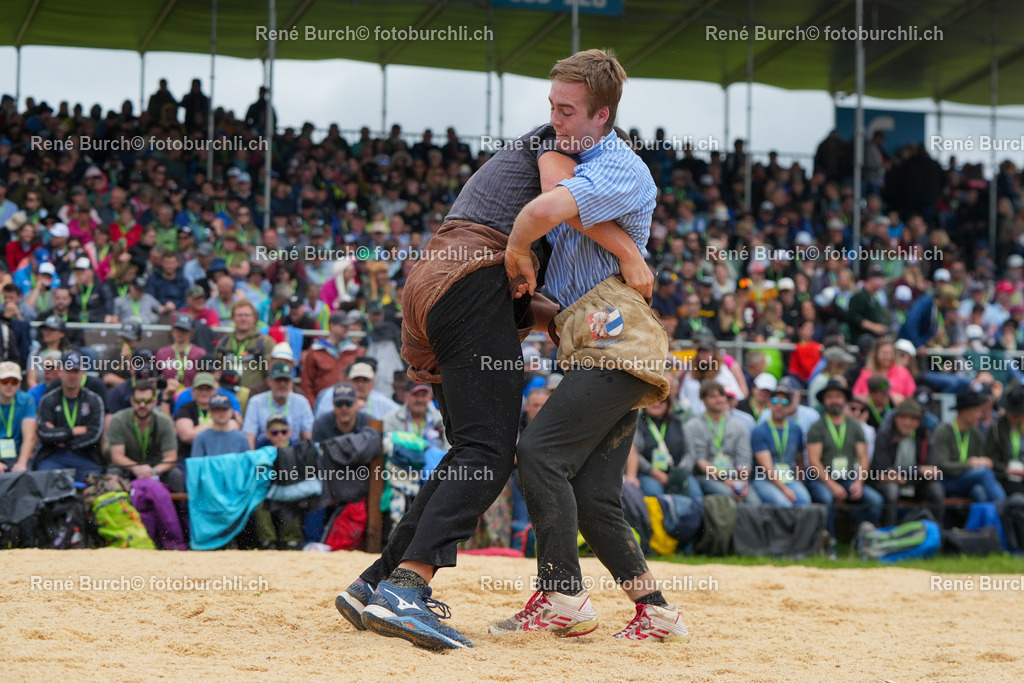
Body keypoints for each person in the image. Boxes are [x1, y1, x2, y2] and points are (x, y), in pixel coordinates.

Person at [347, 50, 658, 652]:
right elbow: (546, 202)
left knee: (470, 447)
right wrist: (627, 252)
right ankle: (409, 589)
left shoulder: (566, 145)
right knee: (492, 450)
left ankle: (377, 581)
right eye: (553, 107)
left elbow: (546, 248)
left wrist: (550, 308)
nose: (555, 117)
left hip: (433, 279)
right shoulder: (560, 144)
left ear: (604, 113)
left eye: (566, 109)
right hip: (473, 271)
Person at [805, 378, 884, 543]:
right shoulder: (817, 427)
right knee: (826, 499)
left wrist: (859, 482)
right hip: (821, 480)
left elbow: (863, 458)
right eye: (830, 397)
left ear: (844, 400)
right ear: (824, 401)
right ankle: (829, 543)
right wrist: (832, 485)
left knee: (875, 500)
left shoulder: (855, 426)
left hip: (848, 479)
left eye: (838, 396)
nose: (834, 400)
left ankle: (860, 541)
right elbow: (813, 462)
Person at [867, 398, 945, 527]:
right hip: (889, 483)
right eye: (903, 417)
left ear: (919, 421)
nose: (907, 422)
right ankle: (889, 533)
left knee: (936, 489)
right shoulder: (885, 434)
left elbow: (933, 470)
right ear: (896, 418)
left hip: (915, 483)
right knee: (891, 489)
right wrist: (919, 471)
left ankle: (936, 533)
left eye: (913, 418)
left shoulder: (925, 435)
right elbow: (882, 469)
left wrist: (903, 476)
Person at [34, 351, 106, 480]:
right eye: (68, 370)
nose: (72, 375)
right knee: (42, 478)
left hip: (85, 456)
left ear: (83, 372)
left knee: (94, 481)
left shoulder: (94, 400)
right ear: (60, 371)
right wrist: (72, 432)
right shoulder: (48, 399)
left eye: (76, 371)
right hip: (53, 456)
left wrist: (62, 439)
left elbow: (94, 434)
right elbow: (44, 433)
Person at [684, 380, 757, 503]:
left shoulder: (739, 425)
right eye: (713, 397)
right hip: (707, 478)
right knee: (728, 495)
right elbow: (700, 461)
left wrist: (743, 481)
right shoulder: (693, 426)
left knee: (754, 503)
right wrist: (725, 480)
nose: (719, 400)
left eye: (721, 395)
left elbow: (744, 457)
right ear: (703, 399)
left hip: (736, 478)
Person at [108, 379, 183, 492]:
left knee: (176, 474)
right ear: (132, 401)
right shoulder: (118, 419)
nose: (142, 405)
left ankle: (179, 509)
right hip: (129, 468)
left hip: (157, 469)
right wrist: (136, 468)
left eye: (147, 401)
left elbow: (171, 458)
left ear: (155, 402)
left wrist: (154, 471)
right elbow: (117, 456)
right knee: (113, 472)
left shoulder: (165, 421)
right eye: (138, 401)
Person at [933, 389, 1006, 503]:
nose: (981, 415)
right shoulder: (943, 431)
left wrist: (980, 462)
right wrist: (970, 464)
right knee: (984, 473)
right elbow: (942, 466)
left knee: (979, 491)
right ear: (965, 411)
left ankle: (988, 520)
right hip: (946, 480)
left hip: (967, 479)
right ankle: (1006, 510)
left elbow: (979, 459)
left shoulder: (974, 432)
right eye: (978, 411)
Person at [750, 384, 812, 506]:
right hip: (764, 479)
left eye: (784, 402)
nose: (779, 405)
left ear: (790, 406)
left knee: (804, 500)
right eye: (775, 401)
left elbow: (800, 460)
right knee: (784, 504)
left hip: (788, 478)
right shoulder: (760, 431)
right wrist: (785, 490)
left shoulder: (796, 429)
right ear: (769, 404)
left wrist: (799, 482)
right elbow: (767, 468)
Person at [242, 361, 313, 449]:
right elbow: (249, 437)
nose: (282, 384)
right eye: (278, 380)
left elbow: (309, 437)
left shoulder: (302, 402)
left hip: (293, 453)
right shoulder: (256, 402)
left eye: (285, 381)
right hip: (264, 452)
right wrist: (253, 460)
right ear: (269, 381)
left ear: (291, 383)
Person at [630, 390, 686, 497]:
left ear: (668, 403)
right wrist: (655, 473)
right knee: (655, 492)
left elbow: (689, 452)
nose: (657, 404)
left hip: (675, 472)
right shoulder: (636, 423)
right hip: (646, 474)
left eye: (662, 400)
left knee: (693, 492)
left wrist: (679, 472)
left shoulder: (677, 423)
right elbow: (634, 454)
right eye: (652, 400)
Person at [300, 311, 361, 405]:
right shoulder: (315, 351)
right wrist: (314, 406)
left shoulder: (354, 351)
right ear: (332, 326)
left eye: (347, 325)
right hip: (322, 405)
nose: (347, 328)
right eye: (343, 326)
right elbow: (306, 383)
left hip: (348, 405)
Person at [214, 300, 276, 390]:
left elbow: (271, 373)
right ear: (233, 318)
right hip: (227, 396)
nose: (243, 318)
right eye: (239, 315)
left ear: (254, 318)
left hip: (254, 396)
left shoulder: (265, 342)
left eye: (247, 315)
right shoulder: (224, 342)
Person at [315, 361, 397, 419]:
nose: (360, 385)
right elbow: (320, 421)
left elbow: (400, 413)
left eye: (365, 380)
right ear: (348, 381)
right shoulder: (331, 395)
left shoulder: (381, 401)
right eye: (356, 380)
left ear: (372, 384)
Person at [382, 383, 448, 450]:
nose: (419, 399)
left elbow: (448, 448)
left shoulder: (442, 419)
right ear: (407, 396)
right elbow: (387, 444)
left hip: (436, 460)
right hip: (403, 459)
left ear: (430, 397)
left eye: (423, 395)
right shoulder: (392, 418)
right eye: (415, 395)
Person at [985, 385, 1024, 496]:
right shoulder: (996, 428)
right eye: (1014, 413)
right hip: (1006, 475)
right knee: (1016, 492)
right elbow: (991, 458)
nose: (1017, 417)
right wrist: (1006, 470)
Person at [0, 363, 39, 473]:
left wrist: (21, 464)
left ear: (19, 384)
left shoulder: (27, 400)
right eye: (4, 381)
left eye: (13, 381)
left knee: (25, 475)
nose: (9, 385)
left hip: (18, 455)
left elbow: (29, 436)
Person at [190, 393, 250, 458]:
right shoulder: (201, 438)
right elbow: (196, 465)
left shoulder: (241, 438)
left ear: (231, 412)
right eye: (217, 409)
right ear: (210, 412)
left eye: (224, 409)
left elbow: (246, 464)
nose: (221, 412)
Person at [155, 313, 206, 388]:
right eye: (177, 329)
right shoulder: (162, 353)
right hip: (168, 394)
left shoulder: (199, 353)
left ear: (191, 333)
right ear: (172, 330)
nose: (180, 333)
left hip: (191, 395)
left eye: (184, 330)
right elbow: (157, 377)